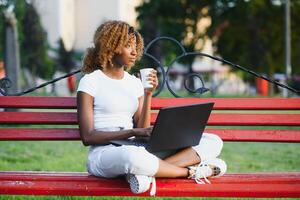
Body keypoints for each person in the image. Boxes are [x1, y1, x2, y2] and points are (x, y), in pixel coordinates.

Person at [77, 20, 227, 196]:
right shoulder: (91, 81)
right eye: (127, 46)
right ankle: (191, 172)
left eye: (135, 46)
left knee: (213, 141)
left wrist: (148, 94)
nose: (134, 52)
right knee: (132, 156)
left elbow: (141, 129)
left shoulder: (133, 82)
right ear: (110, 46)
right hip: (104, 153)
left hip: (136, 146)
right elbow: (88, 136)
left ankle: (146, 173)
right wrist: (132, 133)